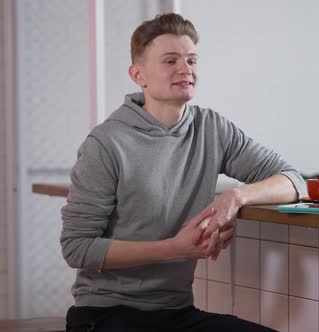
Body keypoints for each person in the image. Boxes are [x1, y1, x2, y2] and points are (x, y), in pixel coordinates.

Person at [60, 13, 305, 332]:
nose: (185, 68)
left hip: (176, 312)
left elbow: (294, 181)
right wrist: (175, 248)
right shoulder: (106, 143)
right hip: (105, 314)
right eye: (170, 60)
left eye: (191, 59)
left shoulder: (212, 129)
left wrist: (235, 197)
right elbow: (76, 248)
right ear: (138, 75)